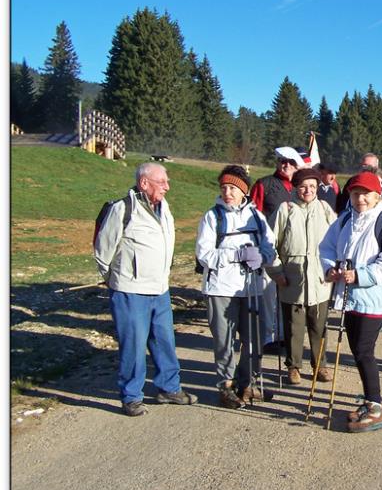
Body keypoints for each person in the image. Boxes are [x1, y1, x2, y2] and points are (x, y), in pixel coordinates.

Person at [94, 162, 197, 417]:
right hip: (130, 291)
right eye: (161, 182)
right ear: (144, 183)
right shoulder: (122, 209)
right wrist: (113, 279)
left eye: (167, 182)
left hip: (160, 289)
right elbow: (103, 250)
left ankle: (169, 388)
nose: (167, 187)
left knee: (164, 341)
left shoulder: (165, 208)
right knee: (133, 345)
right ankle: (131, 397)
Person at [320, 171, 382, 433]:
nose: (360, 199)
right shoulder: (345, 219)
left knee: (363, 350)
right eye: (356, 193)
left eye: (366, 194)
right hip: (349, 297)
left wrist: (361, 275)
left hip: (374, 298)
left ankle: (376, 407)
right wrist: (330, 269)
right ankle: (371, 402)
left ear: (377, 196)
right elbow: (326, 247)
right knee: (358, 350)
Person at [196, 165, 278, 408]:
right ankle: (226, 386)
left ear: (244, 191)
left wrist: (262, 257)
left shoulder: (257, 217)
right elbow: (204, 255)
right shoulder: (213, 217)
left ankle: (247, 384)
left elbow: (270, 248)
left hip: (252, 288)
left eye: (233, 188)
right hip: (220, 289)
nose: (227, 192)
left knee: (254, 339)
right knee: (225, 341)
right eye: (224, 188)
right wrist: (237, 255)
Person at [266, 168, 338, 385]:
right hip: (291, 278)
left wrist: (333, 269)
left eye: (312, 186)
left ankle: (320, 365)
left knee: (319, 325)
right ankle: (294, 366)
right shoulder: (285, 209)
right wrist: (276, 272)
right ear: (295, 188)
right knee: (293, 327)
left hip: (319, 278)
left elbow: (337, 242)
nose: (308, 190)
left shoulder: (325, 209)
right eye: (303, 186)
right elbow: (269, 244)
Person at [250, 146, 304, 351]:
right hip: (269, 250)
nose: (285, 165)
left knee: (288, 295)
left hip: (292, 251)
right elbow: (253, 216)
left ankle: (285, 335)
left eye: (290, 162)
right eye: (282, 160)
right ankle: (268, 337)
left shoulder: (301, 187)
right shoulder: (264, 184)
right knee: (268, 296)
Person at [336, 153, 382, 219]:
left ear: (377, 166)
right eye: (364, 165)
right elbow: (343, 204)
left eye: (370, 166)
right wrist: (344, 219)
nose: (367, 169)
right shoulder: (352, 181)